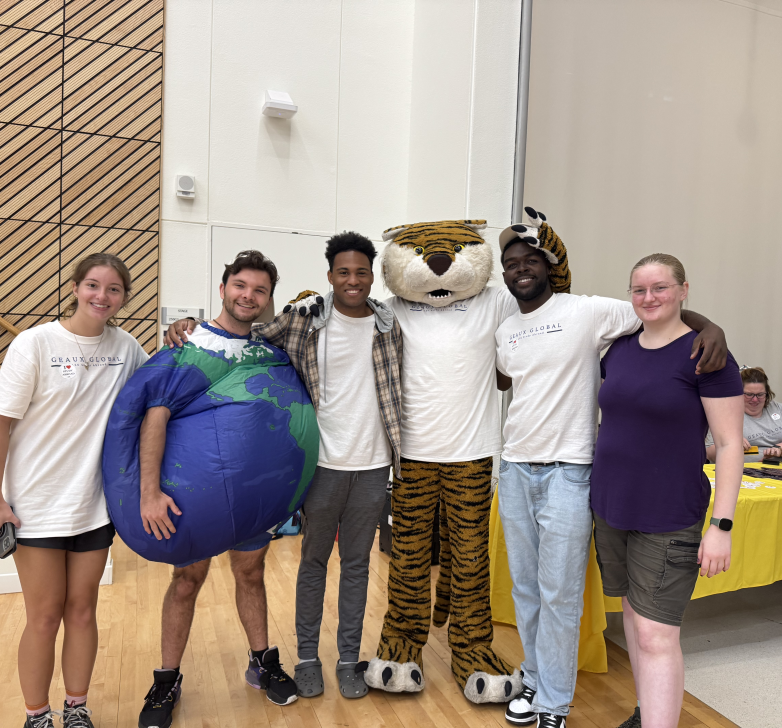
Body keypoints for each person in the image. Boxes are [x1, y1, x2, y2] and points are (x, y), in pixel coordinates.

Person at [494, 212, 729, 728]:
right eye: (511, 264)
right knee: (527, 588)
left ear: (549, 267)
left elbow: (659, 310)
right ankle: (533, 675)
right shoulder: (506, 328)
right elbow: (512, 383)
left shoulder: (587, 311)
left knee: (559, 592)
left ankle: (553, 701)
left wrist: (711, 326)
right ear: (504, 274)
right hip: (513, 469)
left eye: (530, 260)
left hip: (569, 472)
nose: (521, 269)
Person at [164, 232, 402, 700]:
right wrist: (187, 323)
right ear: (330, 276)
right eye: (343, 272)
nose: (352, 280)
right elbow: (242, 334)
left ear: (372, 277)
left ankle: (349, 659)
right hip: (320, 465)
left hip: (375, 466)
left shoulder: (391, 325)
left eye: (361, 272)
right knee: (313, 562)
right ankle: (308, 657)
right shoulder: (303, 320)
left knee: (357, 565)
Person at [137, 251, 298, 728]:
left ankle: (261, 662)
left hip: (251, 494)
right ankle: (166, 680)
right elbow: (155, 417)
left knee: (251, 574)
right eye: (241, 285)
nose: (248, 296)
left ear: (269, 299)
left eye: (260, 290)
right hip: (191, 492)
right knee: (186, 580)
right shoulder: (188, 343)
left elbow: (285, 418)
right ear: (224, 286)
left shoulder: (268, 352)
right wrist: (149, 492)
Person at [590, 254, 743, 728]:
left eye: (660, 288)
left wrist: (721, 526)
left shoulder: (706, 354)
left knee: (658, 632)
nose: (649, 298)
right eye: (639, 290)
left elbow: (730, 444)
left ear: (683, 290)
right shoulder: (617, 350)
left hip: (670, 512)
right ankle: (647, 713)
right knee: (635, 620)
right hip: (613, 507)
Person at [0, 254, 148, 728]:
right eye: (92, 285)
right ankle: (36, 716)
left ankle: (77, 709)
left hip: (93, 506)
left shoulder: (126, 349)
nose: (101, 297)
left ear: (124, 297)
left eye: (113, 289)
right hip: (35, 506)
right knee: (44, 615)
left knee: (82, 610)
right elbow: (2, 425)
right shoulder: (35, 343)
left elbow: (162, 384)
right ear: (75, 287)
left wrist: (181, 333)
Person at [706, 367, 782, 462]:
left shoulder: (778, 409)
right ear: (738, 392)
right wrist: (731, 443)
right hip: (742, 471)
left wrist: (779, 448)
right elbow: (709, 453)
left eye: (760, 394)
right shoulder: (725, 415)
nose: (755, 399)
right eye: (749, 395)